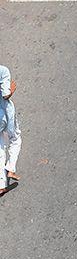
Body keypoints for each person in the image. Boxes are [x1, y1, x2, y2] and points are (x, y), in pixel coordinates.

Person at [0, 65, 21, 197]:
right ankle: (11, 168)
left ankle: (1, 185)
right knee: (15, 138)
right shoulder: (2, 70)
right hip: (4, 115)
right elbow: (5, 95)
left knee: (0, 148)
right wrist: (12, 91)